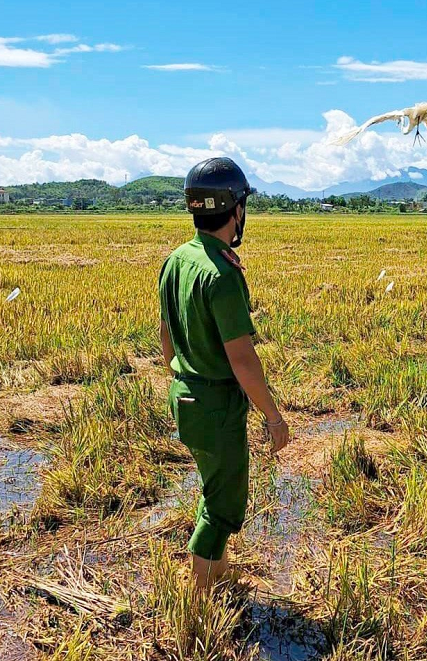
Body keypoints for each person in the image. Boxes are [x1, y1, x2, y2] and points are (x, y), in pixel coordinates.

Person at [159, 157, 289, 588]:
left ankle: (214, 575)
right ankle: (203, 595)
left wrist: (187, 378)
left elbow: (166, 339)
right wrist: (273, 417)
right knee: (224, 507)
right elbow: (243, 360)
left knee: (213, 489)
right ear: (235, 209)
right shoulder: (222, 273)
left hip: (185, 397)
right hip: (215, 407)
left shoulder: (178, 260)